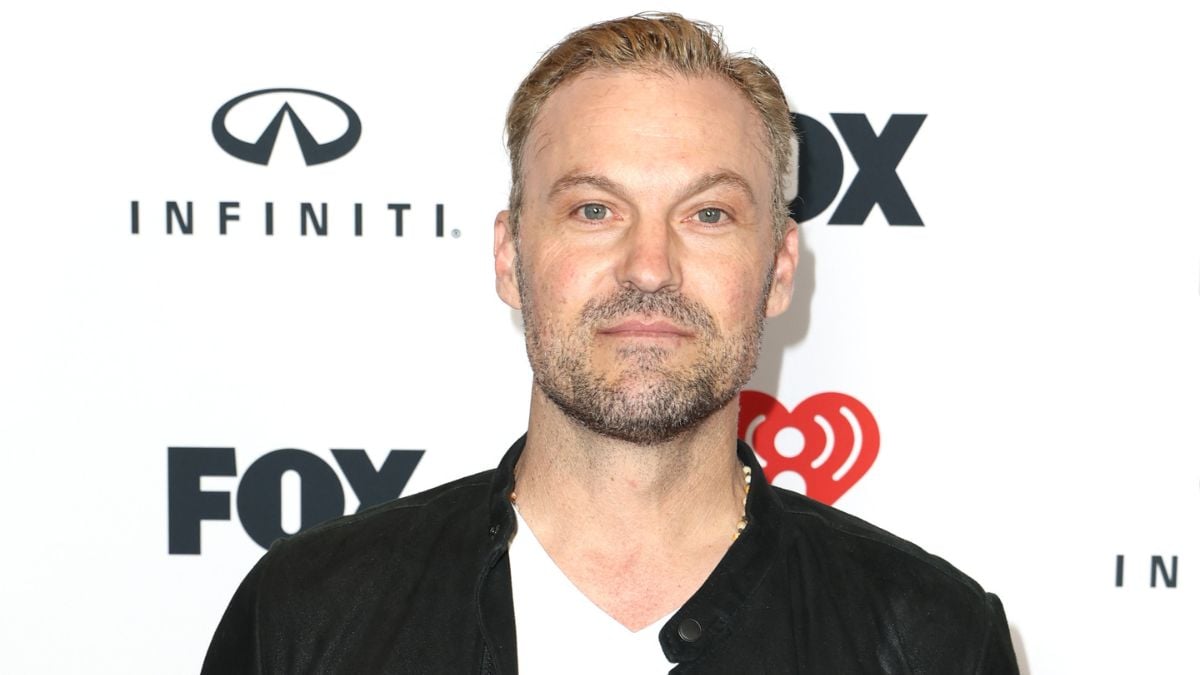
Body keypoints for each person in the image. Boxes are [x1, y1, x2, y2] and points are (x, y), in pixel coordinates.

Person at [202, 13, 1019, 674]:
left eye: (708, 214)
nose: (650, 267)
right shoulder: (305, 620)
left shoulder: (932, 638)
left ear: (777, 269)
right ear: (510, 259)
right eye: (594, 209)